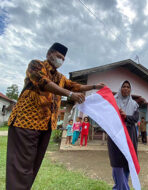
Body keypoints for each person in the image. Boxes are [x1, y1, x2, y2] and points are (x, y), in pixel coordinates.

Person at [6, 42, 104, 190]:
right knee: (21, 167)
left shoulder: (60, 77)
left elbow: (75, 86)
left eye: (63, 59)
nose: (61, 60)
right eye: (58, 56)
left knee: (32, 167)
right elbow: (43, 82)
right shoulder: (36, 65)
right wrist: (70, 94)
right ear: (49, 54)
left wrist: (95, 86)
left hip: (46, 126)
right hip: (26, 122)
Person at [107, 80, 139, 190]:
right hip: (116, 134)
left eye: (128, 87)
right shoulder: (113, 101)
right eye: (124, 86)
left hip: (130, 134)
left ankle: (119, 187)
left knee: (127, 161)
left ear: (130, 90)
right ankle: (122, 187)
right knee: (117, 162)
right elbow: (108, 116)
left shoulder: (134, 104)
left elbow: (135, 119)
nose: (126, 89)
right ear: (120, 88)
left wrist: (126, 117)